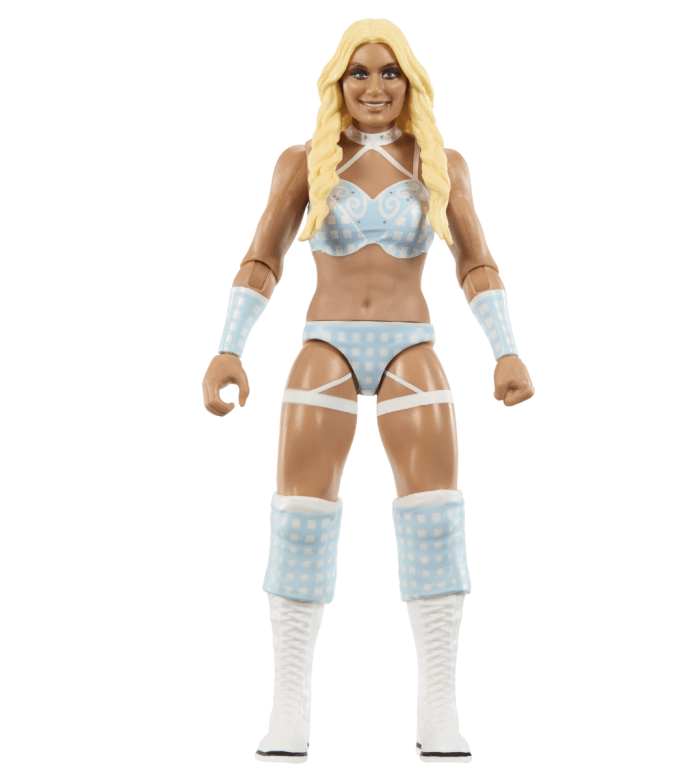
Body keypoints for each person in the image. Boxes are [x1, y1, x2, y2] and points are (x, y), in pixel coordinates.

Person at [202, 18, 534, 764]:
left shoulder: (440, 163)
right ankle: (288, 707)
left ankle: (439, 708)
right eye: (360, 72)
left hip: (411, 346)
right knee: (299, 520)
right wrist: (229, 347)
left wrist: (506, 350)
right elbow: (262, 257)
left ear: (410, 83)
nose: (375, 86)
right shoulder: (304, 162)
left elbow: (476, 262)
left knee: (436, 518)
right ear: (337, 82)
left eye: (390, 73)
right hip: (325, 346)